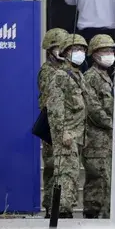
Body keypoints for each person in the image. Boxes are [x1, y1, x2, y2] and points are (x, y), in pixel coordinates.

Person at [46, 34, 110, 218]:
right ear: (65, 53)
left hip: (79, 133)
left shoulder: (79, 75)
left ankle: (66, 208)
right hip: (67, 134)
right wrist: (62, 132)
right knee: (65, 174)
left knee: (72, 174)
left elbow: (90, 105)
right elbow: (55, 108)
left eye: (82, 49)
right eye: (75, 49)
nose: (80, 53)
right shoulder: (60, 76)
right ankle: (61, 211)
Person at [82, 34, 115, 219]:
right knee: (98, 181)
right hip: (96, 140)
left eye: (111, 50)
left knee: (106, 181)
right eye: (105, 51)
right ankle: (92, 216)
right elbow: (93, 108)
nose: (110, 54)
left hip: (106, 140)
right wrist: (113, 125)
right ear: (94, 54)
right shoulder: (91, 77)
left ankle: (103, 215)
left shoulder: (106, 76)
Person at [38, 28, 69, 218]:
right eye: (59, 47)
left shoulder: (64, 70)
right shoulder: (48, 71)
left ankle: (56, 205)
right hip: (51, 124)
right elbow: (50, 100)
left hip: (61, 123)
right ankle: (51, 206)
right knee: (53, 166)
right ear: (50, 50)